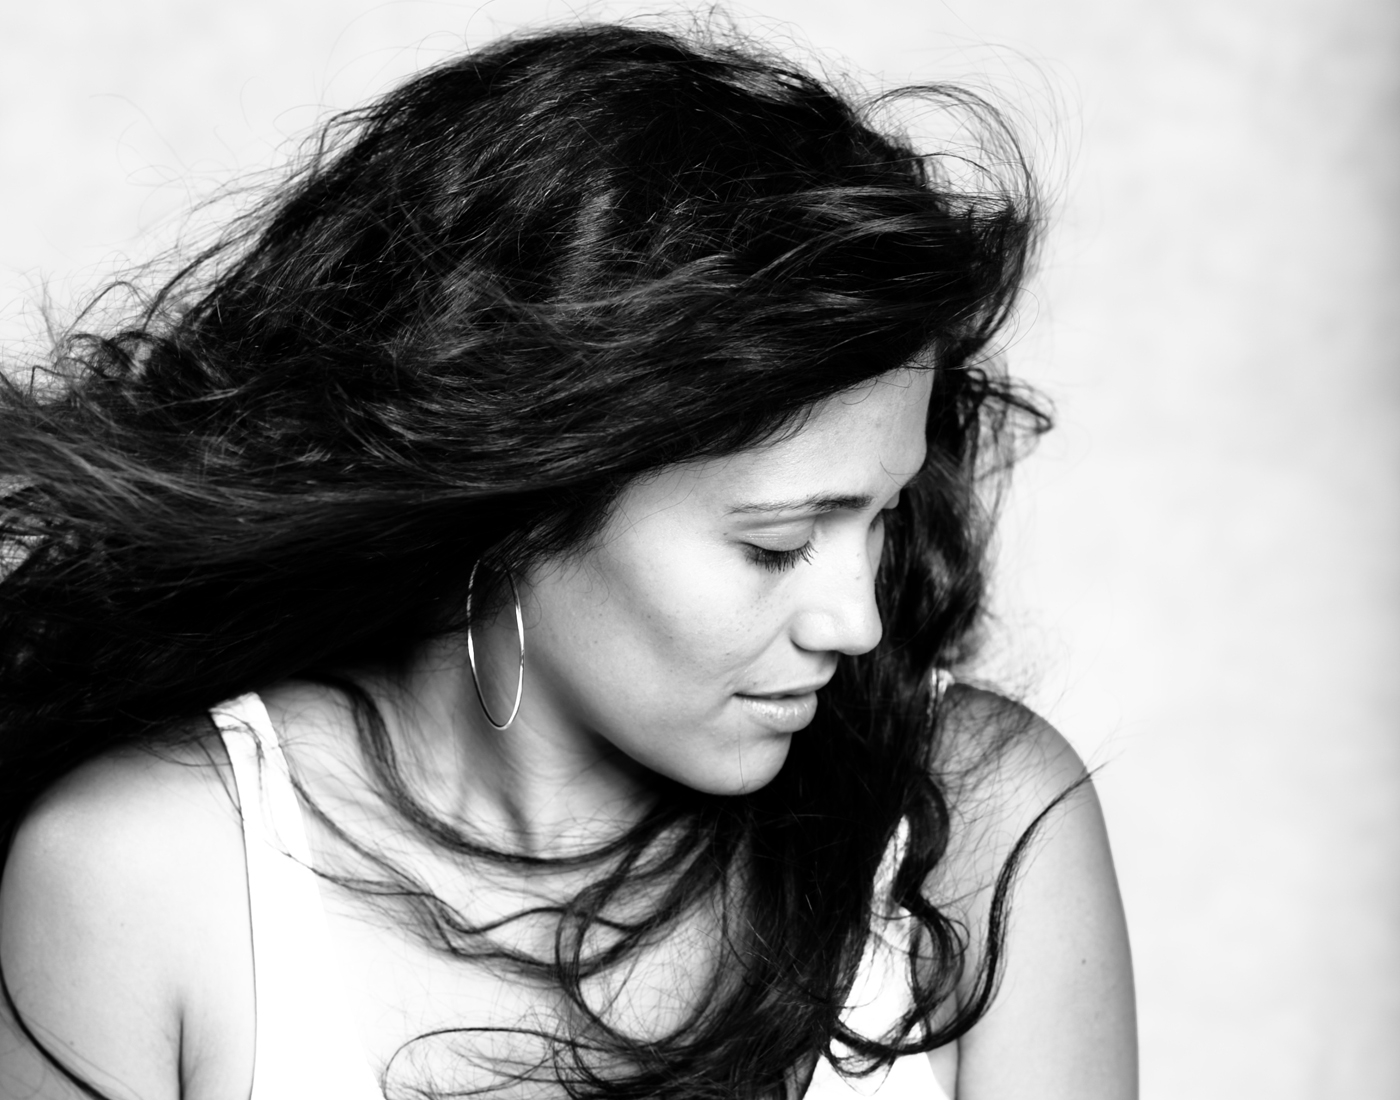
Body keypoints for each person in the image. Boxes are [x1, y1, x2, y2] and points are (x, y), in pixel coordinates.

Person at [0, 22, 1135, 1100]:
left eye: (880, 518)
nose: (858, 620)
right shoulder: (145, 878)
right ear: (524, 504)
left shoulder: (976, 822)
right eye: (777, 544)